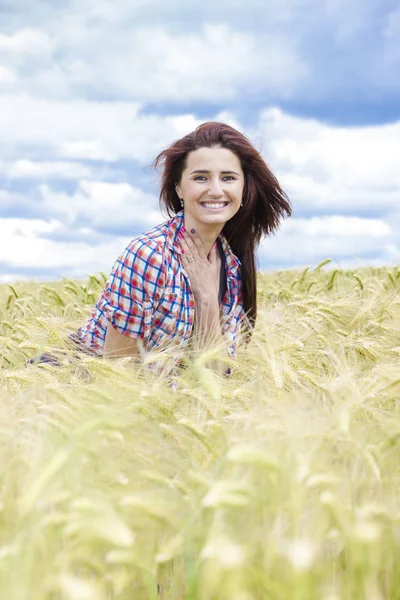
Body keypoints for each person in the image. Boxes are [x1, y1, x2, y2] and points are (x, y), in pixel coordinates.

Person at [30, 122, 291, 376]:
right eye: (200, 177)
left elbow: (214, 375)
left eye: (228, 178)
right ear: (179, 188)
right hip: (68, 390)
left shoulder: (231, 265)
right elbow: (117, 375)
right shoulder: (149, 255)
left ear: (243, 189)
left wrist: (207, 299)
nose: (215, 190)